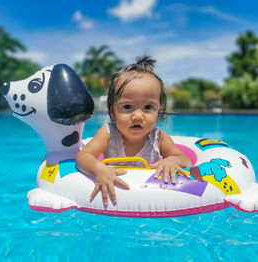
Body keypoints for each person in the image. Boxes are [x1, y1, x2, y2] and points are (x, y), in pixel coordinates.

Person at [76, 56, 192, 206]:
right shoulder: (108, 133)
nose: (137, 116)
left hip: (151, 198)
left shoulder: (159, 138)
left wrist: (171, 160)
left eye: (148, 107)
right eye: (127, 107)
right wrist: (97, 169)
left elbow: (185, 159)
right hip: (117, 201)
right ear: (112, 112)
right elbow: (83, 156)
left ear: (159, 111)